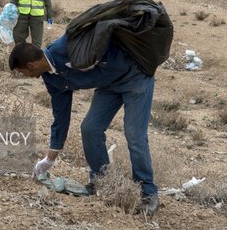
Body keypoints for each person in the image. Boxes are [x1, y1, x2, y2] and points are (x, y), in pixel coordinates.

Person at [8, 36, 160, 215]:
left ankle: (148, 194)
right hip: (109, 86)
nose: (24, 76)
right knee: (90, 128)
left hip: (135, 76)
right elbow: (61, 117)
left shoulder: (67, 47)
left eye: (21, 72)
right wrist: (49, 159)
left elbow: (107, 39)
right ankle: (101, 182)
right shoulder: (51, 78)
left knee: (134, 133)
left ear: (31, 66)